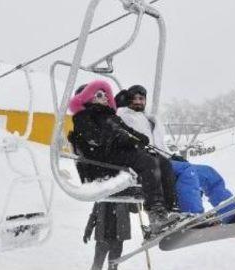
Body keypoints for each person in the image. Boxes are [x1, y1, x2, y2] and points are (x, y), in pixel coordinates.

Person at [116, 84, 235, 224]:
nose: (138, 101)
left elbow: (157, 145)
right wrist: (119, 103)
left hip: (163, 160)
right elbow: (114, 124)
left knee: (208, 173)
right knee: (187, 171)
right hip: (146, 163)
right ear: (128, 100)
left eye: (141, 98)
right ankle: (192, 215)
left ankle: (232, 214)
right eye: (134, 98)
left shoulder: (149, 120)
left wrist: (172, 156)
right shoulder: (124, 116)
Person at [66, 80, 177, 234]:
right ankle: (155, 215)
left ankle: (170, 209)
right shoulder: (83, 117)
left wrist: (140, 138)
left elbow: (127, 131)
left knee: (162, 161)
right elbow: (96, 139)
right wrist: (124, 138)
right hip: (102, 162)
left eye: (105, 94)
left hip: (117, 155)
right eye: (99, 94)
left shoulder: (110, 115)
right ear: (88, 98)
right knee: (146, 161)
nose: (104, 97)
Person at [83, 202, 132, 270]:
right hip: (102, 238)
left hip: (117, 240)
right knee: (97, 264)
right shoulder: (102, 197)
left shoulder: (123, 198)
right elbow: (93, 215)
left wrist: (135, 196)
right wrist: (88, 231)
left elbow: (135, 209)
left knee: (113, 267)